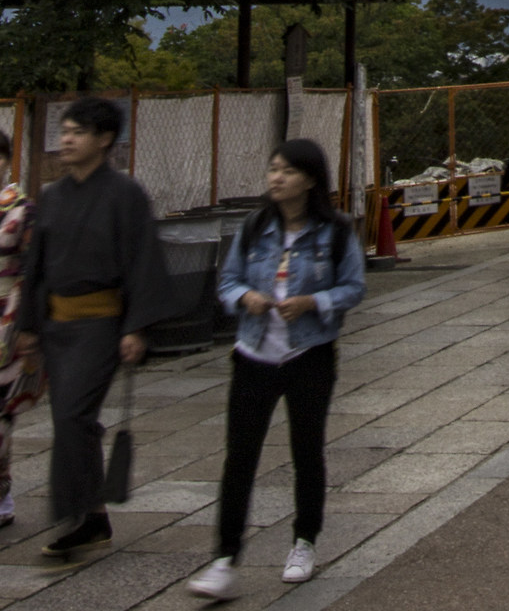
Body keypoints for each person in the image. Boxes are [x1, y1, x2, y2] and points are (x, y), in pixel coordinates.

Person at [188, 139, 365, 599]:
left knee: (306, 450)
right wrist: (244, 297)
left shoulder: (336, 231)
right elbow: (227, 280)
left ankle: (304, 541)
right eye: (272, 169)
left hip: (309, 354)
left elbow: (353, 287)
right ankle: (225, 558)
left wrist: (313, 302)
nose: (276, 177)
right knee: (239, 456)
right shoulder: (254, 227)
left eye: (287, 170)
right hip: (253, 353)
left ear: (310, 178)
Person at [16, 95, 166, 564]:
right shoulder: (53, 196)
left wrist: (136, 326)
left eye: (78, 132)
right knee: (71, 418)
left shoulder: (126, 195)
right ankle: (92, 514)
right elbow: (34, 266)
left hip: (101, 324)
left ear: (104, 140)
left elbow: (144, 262)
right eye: (65, 130)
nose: (67, 139)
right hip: (57, 324)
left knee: (72, 417)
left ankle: (79, 516)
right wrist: (27, 327)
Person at [0, 130, 43, 527]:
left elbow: (34, 267)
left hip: (8, 313)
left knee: (0, 409)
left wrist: (30, 324)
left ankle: (2, 491)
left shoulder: (23, 209)